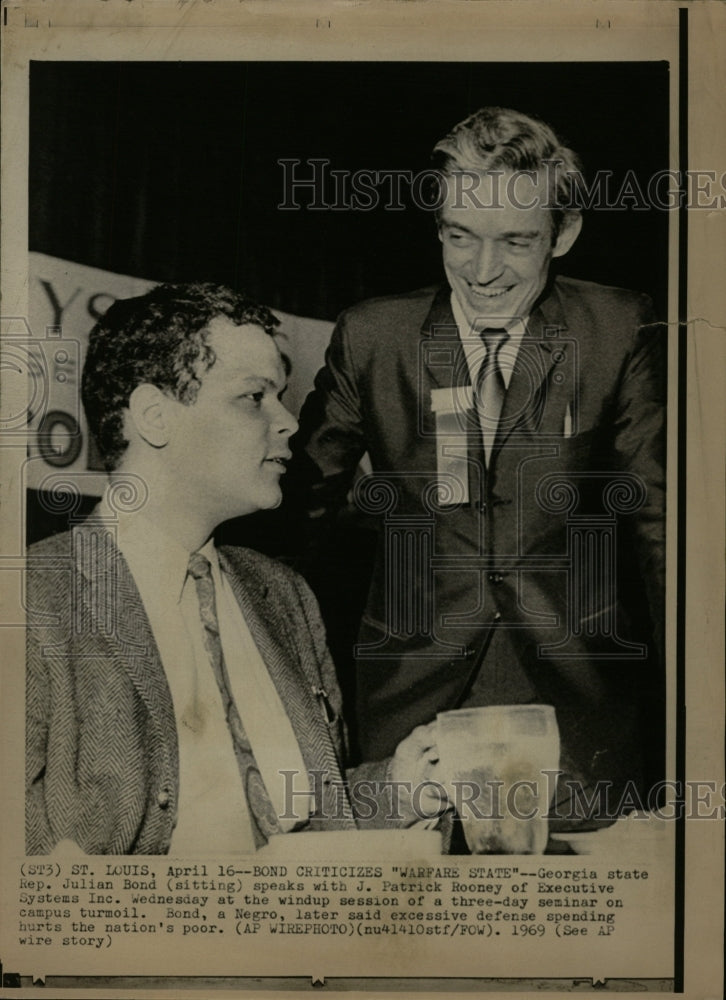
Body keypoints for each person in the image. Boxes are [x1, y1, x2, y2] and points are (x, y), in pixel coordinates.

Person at [290, 107, 666, 823]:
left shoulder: (619, 328)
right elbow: (299, 514)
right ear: (438, 226)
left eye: (516, 242)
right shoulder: (374, 336)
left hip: (577, 713)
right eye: (461, 237)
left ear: (565, 233)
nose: (483, 272)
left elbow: (659, 523)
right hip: (408, 707)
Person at [25, 282, 447, 855]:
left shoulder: (284, 594)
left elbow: (301, 824)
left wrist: (397, 792)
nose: (289, 422)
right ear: (154, 416)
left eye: (281, 395)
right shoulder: (30, 599)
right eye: (254, 397)